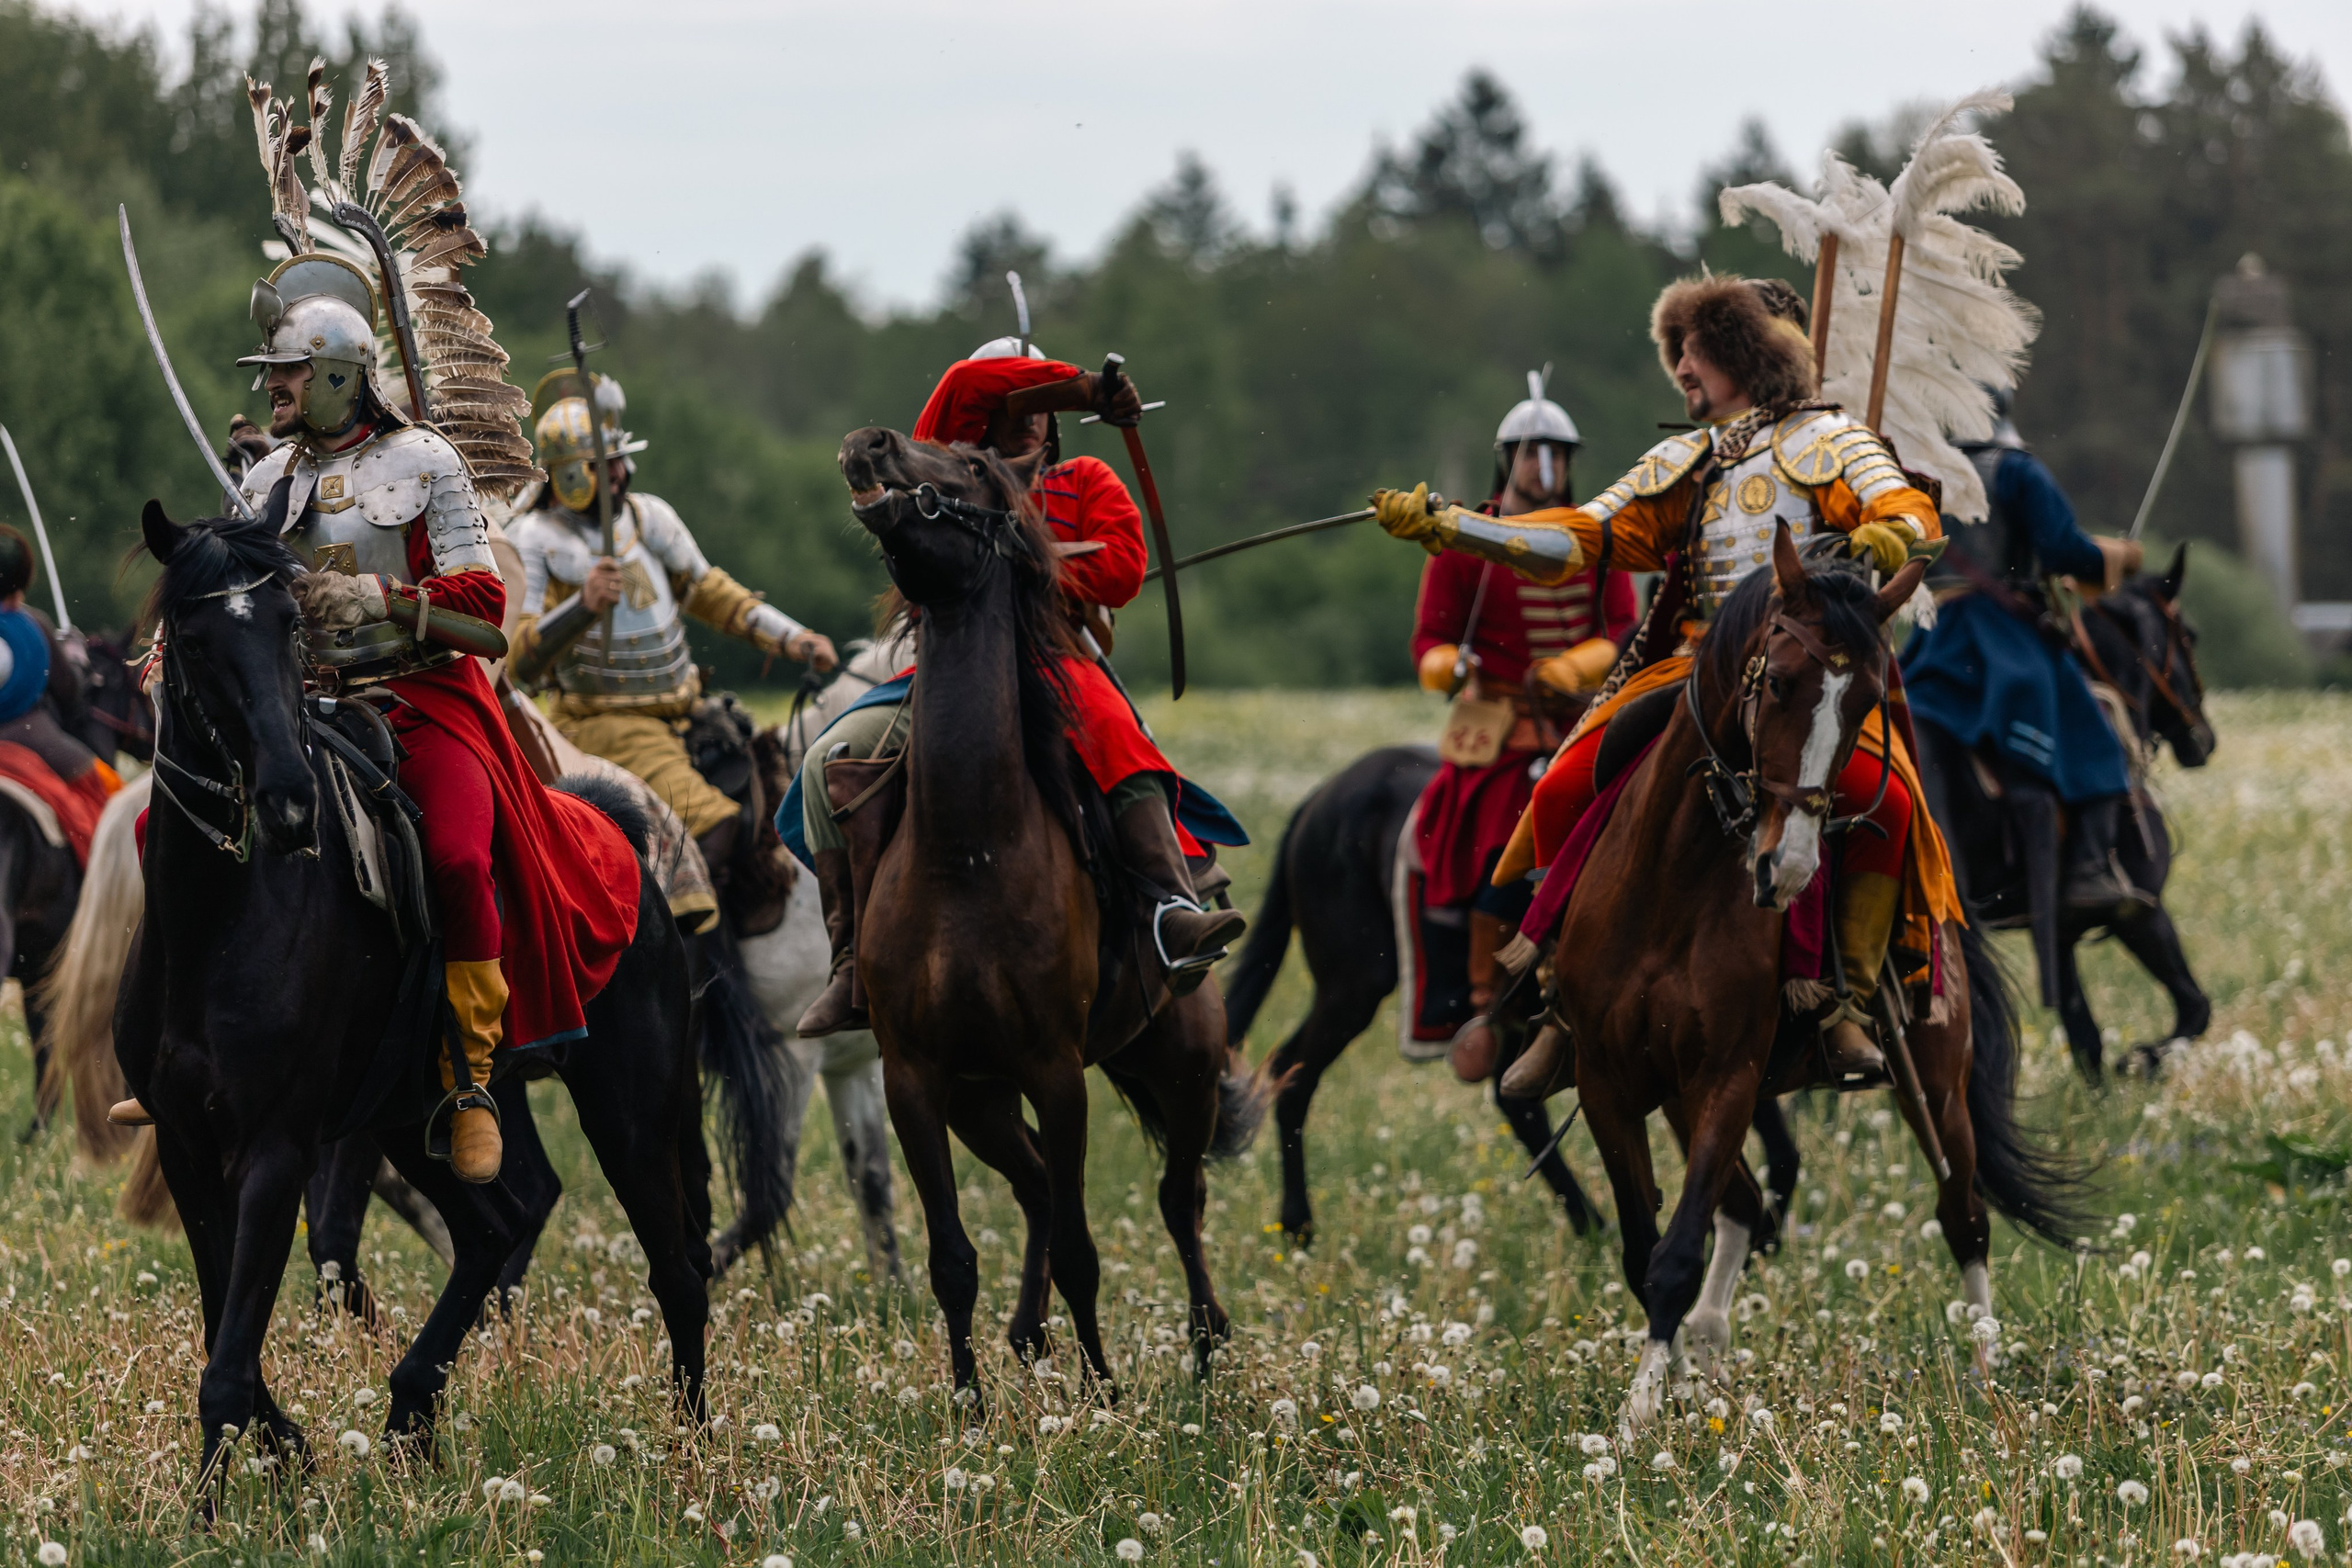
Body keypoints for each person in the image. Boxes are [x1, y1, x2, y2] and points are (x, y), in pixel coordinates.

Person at [107, 253, 640, 1185]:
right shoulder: (267, 475)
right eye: (271, 375)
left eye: (287, 373)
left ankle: (471, 1075)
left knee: (458, 858)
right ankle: (175, 1045)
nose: (272, 388)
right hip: (304, 701)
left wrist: (386, 603)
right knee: (166, 824)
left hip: (425, 695)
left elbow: (486, 623)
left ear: (340, 379)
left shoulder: (424, 462)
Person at [1374, 275, 1962, 1090]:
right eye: (1677, 350)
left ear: (1745, 353)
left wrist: (1894, 534)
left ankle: (1847, 1008)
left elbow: (1906, 508)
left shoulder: (1829, 441)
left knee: (1888, 804)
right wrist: (1459, 527)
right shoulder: (1681, 461)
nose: (1681, 366)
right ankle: (1559, 1000)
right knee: (1561, 786)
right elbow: (1581, 540)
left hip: (1804, 681)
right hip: (1700, 674)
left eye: (1696, 349)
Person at [788, 336, 1244, 1038]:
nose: (1030, 420)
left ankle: (1170, 908)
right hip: (945, 672)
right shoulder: (948, 475)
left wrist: (1031, 567)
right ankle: (852, 958)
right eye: (1017, 404)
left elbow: (1121, 568)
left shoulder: (1085, 478)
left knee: (1116, 728)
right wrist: (1082, 386)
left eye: (1041, 409)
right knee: (828, 761)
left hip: (1056, 661)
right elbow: (968, 379)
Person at [506, 372, 836, 908]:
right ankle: (681, 952)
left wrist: (793, 638)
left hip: (684, 709)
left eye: (619, 459)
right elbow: (517, 661)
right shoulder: (536, 540)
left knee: (767, 788)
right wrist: (581, 607)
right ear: (569, 474)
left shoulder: (649, 518)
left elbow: (712, 593)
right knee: (714, 827)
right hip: (603, 721)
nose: (619, 473)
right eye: (602, 464)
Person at [1408, 370, 1636, 1081]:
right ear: (1510, 458)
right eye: (1535, 453)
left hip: (1587, 717)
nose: (1548, 467)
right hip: (1501, 723)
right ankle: (1484, 997)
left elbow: (1626, 627)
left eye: (1558, 454)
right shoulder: (1466, 539)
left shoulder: (1599, 535)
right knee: (1484, 831)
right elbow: (1430, 639)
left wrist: (1578, 667)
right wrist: (1449, 666)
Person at [1901, 385, 2144, 910]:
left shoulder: (1918, 477)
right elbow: (2062, 549)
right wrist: (2115, 556)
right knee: (2097, 737)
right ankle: (2086, 869)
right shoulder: (2016, 470)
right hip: (2002, 639)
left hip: (1934, 637)